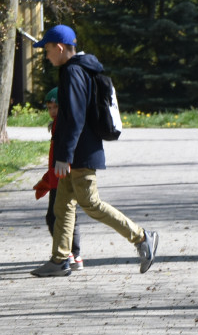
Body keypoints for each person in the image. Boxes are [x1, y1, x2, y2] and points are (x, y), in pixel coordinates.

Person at [28, 24, 158, 277]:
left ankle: (142, 237)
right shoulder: (75, 70)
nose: (46, 55)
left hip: (79, 154)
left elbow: (75, 118)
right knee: (62, 206)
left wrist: (64, 156)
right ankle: (59, 260)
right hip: (76, 152)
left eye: (47, 50)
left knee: (91, 203)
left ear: (60, 47)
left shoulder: (73, 72)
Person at [32, 87, 83, 270]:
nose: (52, 111)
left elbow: (62, 154)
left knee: (55, 217)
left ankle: (68, 253)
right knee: (69, 216)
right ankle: (74, 255)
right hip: (56, 178)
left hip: (62, 178)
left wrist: (52, 179)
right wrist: (46, 179)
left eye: (56, 107)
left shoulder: (62, 124)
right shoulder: (56, 124)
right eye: (49, 107)